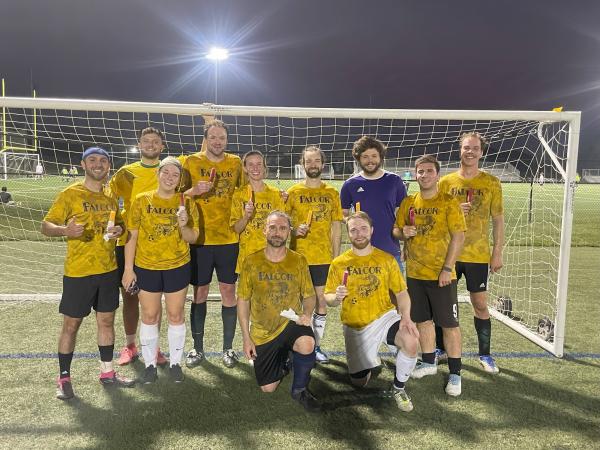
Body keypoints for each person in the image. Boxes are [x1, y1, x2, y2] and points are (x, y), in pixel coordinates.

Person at [41, 146, 135, 400]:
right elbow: (46, 225)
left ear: (108, 166)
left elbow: (121, 227)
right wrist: (64, 231)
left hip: (107, 271)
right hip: (79, 273)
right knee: (71, 325)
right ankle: (63, 378)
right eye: (92, 160)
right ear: (83, 165)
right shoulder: (70, 194)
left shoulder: (110, 196)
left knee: (106, 322)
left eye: (103, 161)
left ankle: (107, 372)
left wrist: (119, 231)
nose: (98, 164)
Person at [324, 211, 419, 412]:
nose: (359, 234)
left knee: (411, 340)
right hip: (356, 325)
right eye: (353, 230)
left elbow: (401, 293)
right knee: (359, 382)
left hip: (384, 316)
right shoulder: (339, 263)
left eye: (363, 228)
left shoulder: (385, 259)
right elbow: (328, 298)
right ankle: (371, 362)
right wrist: (336, 297)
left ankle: (398, 388)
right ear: (348, 234)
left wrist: (407, 318)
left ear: (372, 230)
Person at [122, 157, 199, 384]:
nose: (169, 177)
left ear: (180, 179)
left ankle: (175, 363)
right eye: (166, 172)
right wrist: (128, 269)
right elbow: (132, 235)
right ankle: (150, 366)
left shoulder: (186, 202)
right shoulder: (141, 200)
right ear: (158, 174)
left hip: (177, 266)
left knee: (176, 315)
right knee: (150, 315)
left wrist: (184, 224)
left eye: (175, 175)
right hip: (147, 267)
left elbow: (193, 238)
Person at [393, 155, 466, 396]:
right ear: (415, 175)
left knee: (449, 324)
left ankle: (455, 374)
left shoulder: (448, 202)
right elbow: (396, 230)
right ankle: (428, 362)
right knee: (422, 320)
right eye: (420, 171)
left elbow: (458, 236)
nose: (424, 175)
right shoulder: (409, 202)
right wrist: (403, 232)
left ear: (437, 174)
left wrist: (447, 268)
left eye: (428, 171)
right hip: (415, 273)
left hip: (441, 275)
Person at [237, 211, 320, 412]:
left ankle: (299, 389)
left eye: (283, 228)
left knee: (307, 343)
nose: (277, 232)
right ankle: (287, 359)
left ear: (289, 233)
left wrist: (307, 314)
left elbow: (309, 295)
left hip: (289, 323)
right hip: (263, 331)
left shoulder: (298, 260)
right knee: (268, 388)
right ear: (264, 230)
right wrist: (246, 338)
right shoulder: (251, 261)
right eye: (272, 227)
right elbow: (243, 301)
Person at [437, 132, 504, 374]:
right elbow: (436, 218)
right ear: (460, 150)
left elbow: (498, 220)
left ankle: (485, 354)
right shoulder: (446, 183)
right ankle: (439, 349)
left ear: (481, 152)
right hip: (449, 254)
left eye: (475, 148)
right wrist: (454, 210)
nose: (470, 151)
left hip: (477, 255)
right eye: (467, 147)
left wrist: (497, 252)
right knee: (442, 303)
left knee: (480, 303)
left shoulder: (491, 183)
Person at [183, 119, 243, 368]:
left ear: (227, 140)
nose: (218, 141)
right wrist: (193, 190)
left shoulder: (235, 162)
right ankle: (197, 350)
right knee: (200, 293)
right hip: (200, 239)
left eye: (222, 138)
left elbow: (248, 191)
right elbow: (177, 194)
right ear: (206, 139)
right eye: (213, 137)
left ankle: (228, 349)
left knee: (229, 293)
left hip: (229, 239)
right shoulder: (192, 162)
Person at [108, 127, 169, 367]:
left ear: (162, 146)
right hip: (130, 244)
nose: (151, 145)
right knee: (130, 298)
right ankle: (131, 346)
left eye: (156, 142)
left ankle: (154, 348)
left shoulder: (171, 171)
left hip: (159, 246)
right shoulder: (126, 173)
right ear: (139, 145)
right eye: (147, 141)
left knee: (157, 300)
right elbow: (110, 201)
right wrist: (116, 226)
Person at [286, 146, 342, 364]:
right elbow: (283, 225)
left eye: (316, 161)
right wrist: (293, 230)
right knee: (295, 302)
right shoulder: (292, 193)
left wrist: (336, 258)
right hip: (296, 258)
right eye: (308, 161)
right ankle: (294, 345)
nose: (313, 165)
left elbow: (336, 228)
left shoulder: (331, 193)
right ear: (303, 164)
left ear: (322, 164)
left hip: (323, 258)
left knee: (321, 301)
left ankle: (316, 346)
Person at [340, 136, 407, 270]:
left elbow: (403, 215)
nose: (370, 160)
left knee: (396, 291)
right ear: (359, 159)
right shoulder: (350, 184)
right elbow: (343, 213)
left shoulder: (394, 181)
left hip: (390, 250)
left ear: (380, 157)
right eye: (365, 156)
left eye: (374, 156)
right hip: (361, 251)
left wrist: (407, 243)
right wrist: (354, 221)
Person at [230, 150, 285, 275]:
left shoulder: (275, 194)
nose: (255, 168)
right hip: (247, 259)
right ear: (245, 168)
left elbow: (282, 229)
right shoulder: (238, 195)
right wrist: (246, 217)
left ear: (265, 167)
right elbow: (236, 229)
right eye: (251, 164)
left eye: (259, 164)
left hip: (271, 257)